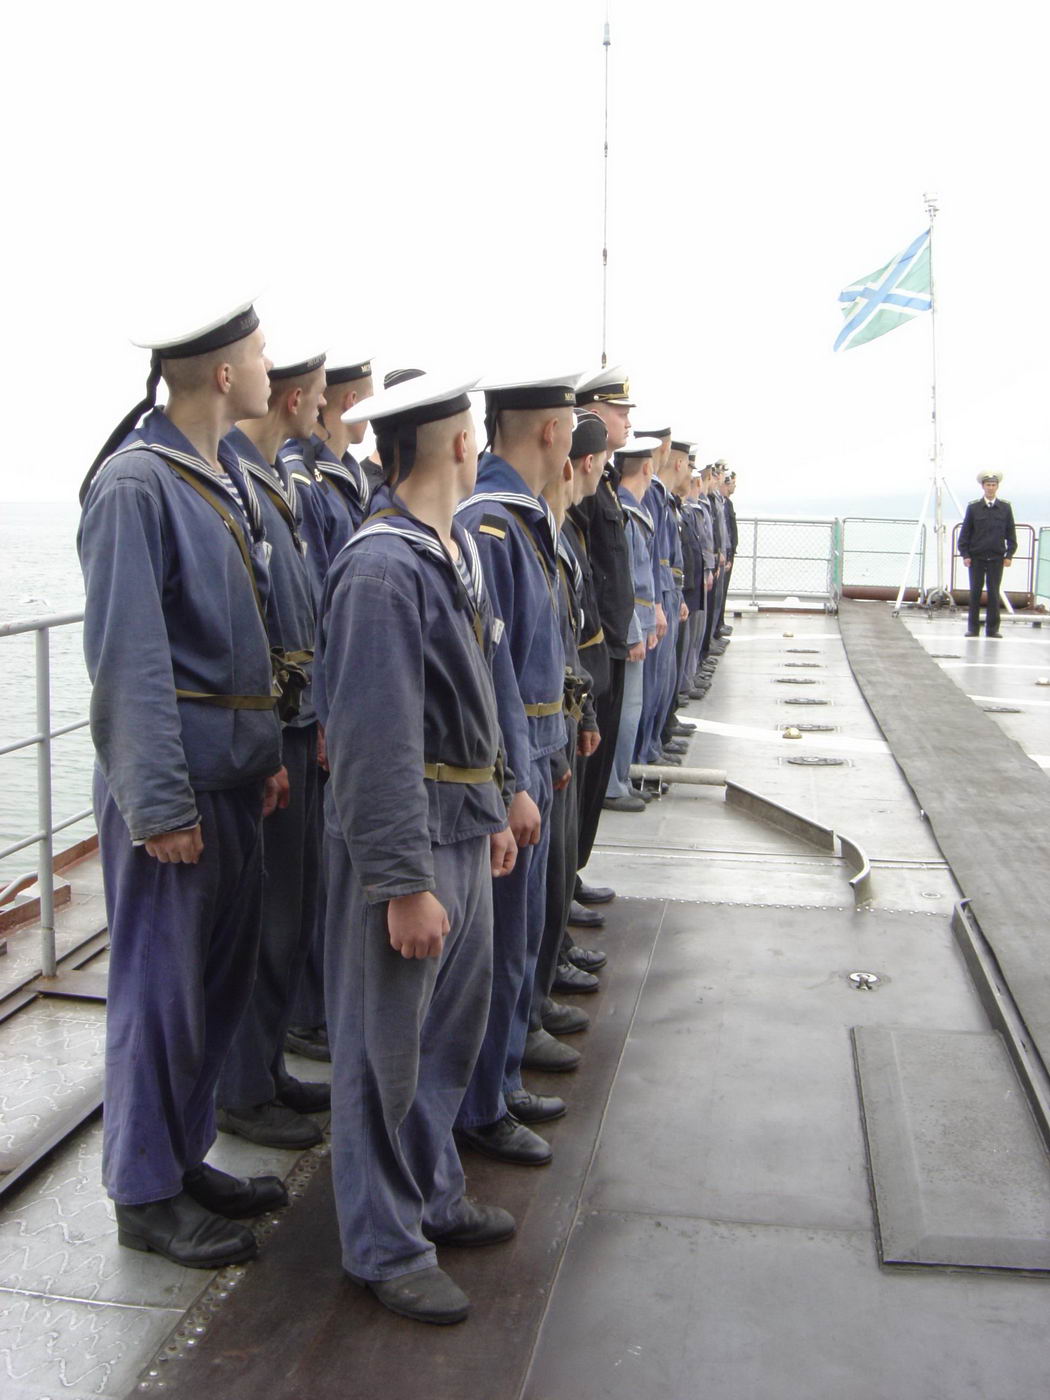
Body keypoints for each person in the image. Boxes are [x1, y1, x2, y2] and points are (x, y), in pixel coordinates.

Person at [78, 298, 289, 1269]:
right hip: (179, 791)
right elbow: (128, 658)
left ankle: (181, 1156)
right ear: (223, 373)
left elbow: (242, 638)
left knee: (210, 989)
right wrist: (158, 805)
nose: (270, 367)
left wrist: (266, 754)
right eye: (260, 354)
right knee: (160, 998)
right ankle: (144, 1194)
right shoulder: (137, 484)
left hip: (232, 777)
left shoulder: (218, 475)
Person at [317, 372, 518, 1325]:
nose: (478, 445)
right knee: (383, 1057)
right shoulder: (382, 570)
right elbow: (374, 740)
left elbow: (472, 700)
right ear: (457, 445)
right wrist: (401, 882)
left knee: (445, 1042)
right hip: (410, 842)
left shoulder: (448, 550)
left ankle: (432, 1195)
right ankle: (384, 1245)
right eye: (473, 432)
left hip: (461, 828)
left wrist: (494, 808)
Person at [454, 372, 578, 1162]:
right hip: (513, 765)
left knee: (521, 936)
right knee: (499, 947)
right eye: (571, 421)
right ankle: (480, 1104)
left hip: (537, 749)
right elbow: (487, 674)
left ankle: (497, 1083)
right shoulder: (492, 527)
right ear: (549, 431)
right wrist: (515, 781)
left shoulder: (522, 521)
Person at [216, 345, 332, 1150]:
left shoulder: (269, 484)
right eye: (318, 395)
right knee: (263, 920)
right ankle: (243, 1088)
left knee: (290, 911)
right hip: (270, 730)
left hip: (294, 723)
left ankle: (264, 1067)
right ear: (292, 399)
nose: (323, 409)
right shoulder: (237, 483)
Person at [603, 437, 662, 811]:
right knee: (624, 709)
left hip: (639, 619)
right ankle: (612, 785)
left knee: (633, 707)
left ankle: (622, 779)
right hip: (630, 624)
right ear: (647, 467)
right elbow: (622, 578)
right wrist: (633, 632)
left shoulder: (633, 512)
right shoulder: (624, 514)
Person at [958, 471, 1017, 638]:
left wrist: (1009, 555)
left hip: (996, 558)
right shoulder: (973, 508)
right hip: (976, 557)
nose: (990, 488)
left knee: (994, 594)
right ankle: (973, 628)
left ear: (997, 487)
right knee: (975, 593)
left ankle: (992, 629)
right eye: (988, 485)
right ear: (983, 487)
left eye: (993, 485)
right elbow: (965, 533)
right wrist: (965, 554)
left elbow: (1011, 533)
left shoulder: (1005, 508)